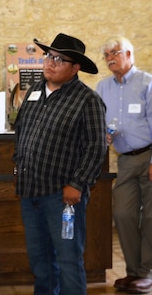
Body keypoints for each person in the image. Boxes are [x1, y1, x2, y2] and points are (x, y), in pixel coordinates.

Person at [13, 33, 107, 295]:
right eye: (49, 56)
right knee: (40, 261)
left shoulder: (88, 100)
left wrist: (77, 185)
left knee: (68, 259)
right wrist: (18, 167)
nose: (50, 63)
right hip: (30, 192)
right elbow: (21, 131)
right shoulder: (33, 91)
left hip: (63, 198)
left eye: (59, 59)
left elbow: (96, 148)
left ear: (75, 68)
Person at [96, 36, 152, 294]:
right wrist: (103, 134)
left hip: (149, 156)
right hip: (125, 160)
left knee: (150, 217)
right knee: (124, 214)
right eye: (106, 54)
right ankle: (133, 271)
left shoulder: (147, 83)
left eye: (115, 53)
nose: (110, 58)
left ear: (129, 54)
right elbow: (98, 120)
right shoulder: (103, 87)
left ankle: (146, 274)